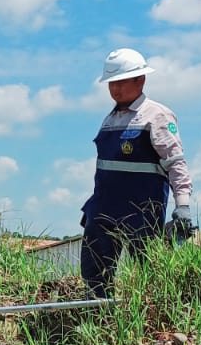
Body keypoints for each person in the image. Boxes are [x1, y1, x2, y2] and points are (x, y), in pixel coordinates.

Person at [80, 48, 193, 298]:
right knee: (94, 279)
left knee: (149, 279)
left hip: (141, 213)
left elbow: (175, 163)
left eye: (121, 82)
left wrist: (182, 206)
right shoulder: (110, 119)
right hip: (103, 211)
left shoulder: (157, 115)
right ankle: (96, 319)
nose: (115, 89)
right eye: (111, 83)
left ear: (140, 80)